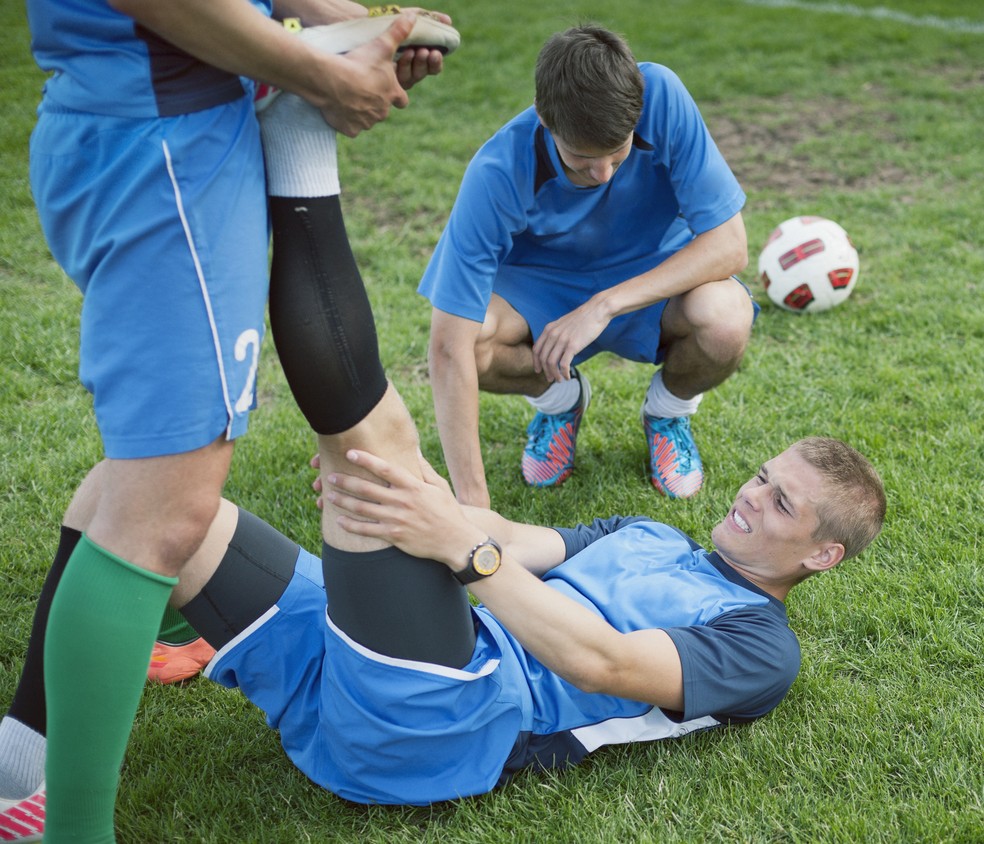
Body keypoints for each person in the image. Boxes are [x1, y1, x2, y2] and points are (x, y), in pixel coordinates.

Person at [4, 0, 451, 839]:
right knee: (164, 513)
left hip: (151, 131)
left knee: (149, 480)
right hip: (164, 144)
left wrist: (356, 26)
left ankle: (19, 762)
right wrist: (316, 72)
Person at [9, 437, 884, 821]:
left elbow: (603, 660)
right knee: (128, 491)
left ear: (820, 557)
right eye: (761, 476)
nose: (748, 496)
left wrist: (444, 544)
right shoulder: (648, 534)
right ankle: (25, 757)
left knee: (368, 471)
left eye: (780, 504)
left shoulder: (762, 647)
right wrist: (431, 511)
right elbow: (509, 539)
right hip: (391, 654)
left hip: (446, 721)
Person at [418, 25, 754, 507]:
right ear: (543, 116)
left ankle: (667, 414)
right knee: (473, 344)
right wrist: (474, 508)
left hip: (650, 276)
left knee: (726, 319)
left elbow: (730, 246)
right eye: (581, 158)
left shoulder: (660, 95)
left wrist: (605, 305)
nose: (601, 174)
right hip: (543, 291)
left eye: (617, 153)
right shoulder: (497, 172)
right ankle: (560, 401)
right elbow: (447, 347)